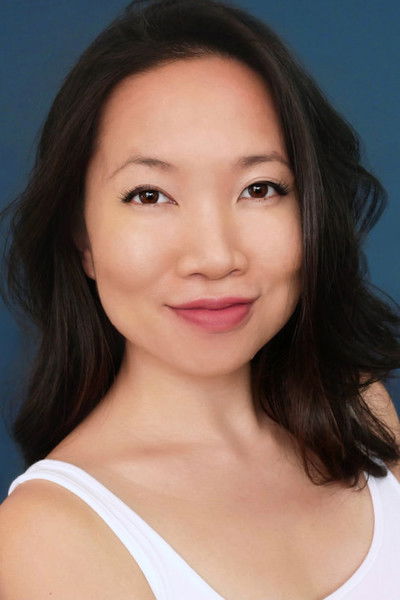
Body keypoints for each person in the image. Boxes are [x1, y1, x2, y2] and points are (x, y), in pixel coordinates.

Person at [0, 0, 399, 598]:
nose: (215, 257)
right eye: (149, 195)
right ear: (82, 239)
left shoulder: (360, 412)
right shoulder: (47, 537)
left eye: (259, 188)